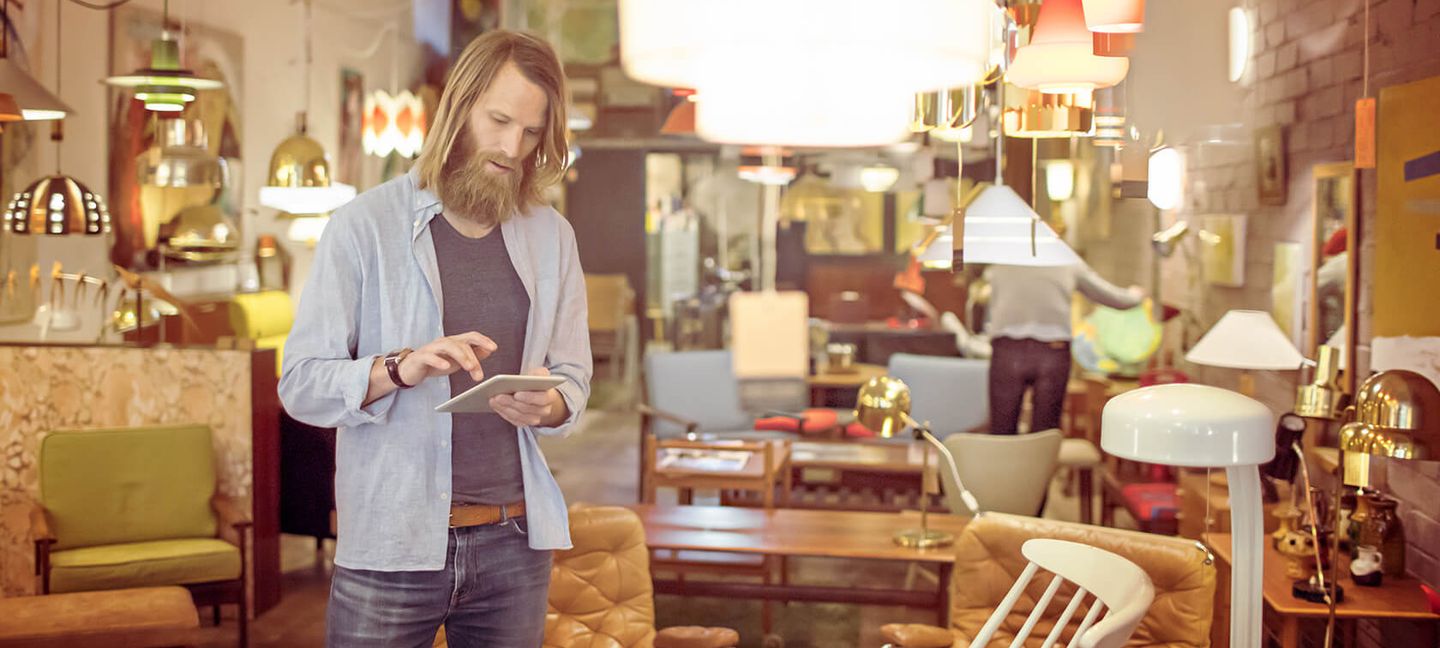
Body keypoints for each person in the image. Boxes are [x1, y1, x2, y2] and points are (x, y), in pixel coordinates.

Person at [278, 30, 590, 647]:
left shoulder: (552, 236)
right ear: (458, 108)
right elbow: (300, 384)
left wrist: (551, 403)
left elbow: (574, 376)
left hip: (513, 543)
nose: (511, 148)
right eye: (499, 121)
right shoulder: (363, 226)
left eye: (531, 133)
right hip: (389, 545)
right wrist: (398, 368)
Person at [982, 263, 1142, 435]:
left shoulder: (1000, 263)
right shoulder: (1066, 262)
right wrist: (1136, 294)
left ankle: (1001, 462)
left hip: (1008, 349)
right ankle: (1039, 462)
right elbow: (1117, 299)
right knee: (1045, 432)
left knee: (1001, 430)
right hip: (1052, 350)